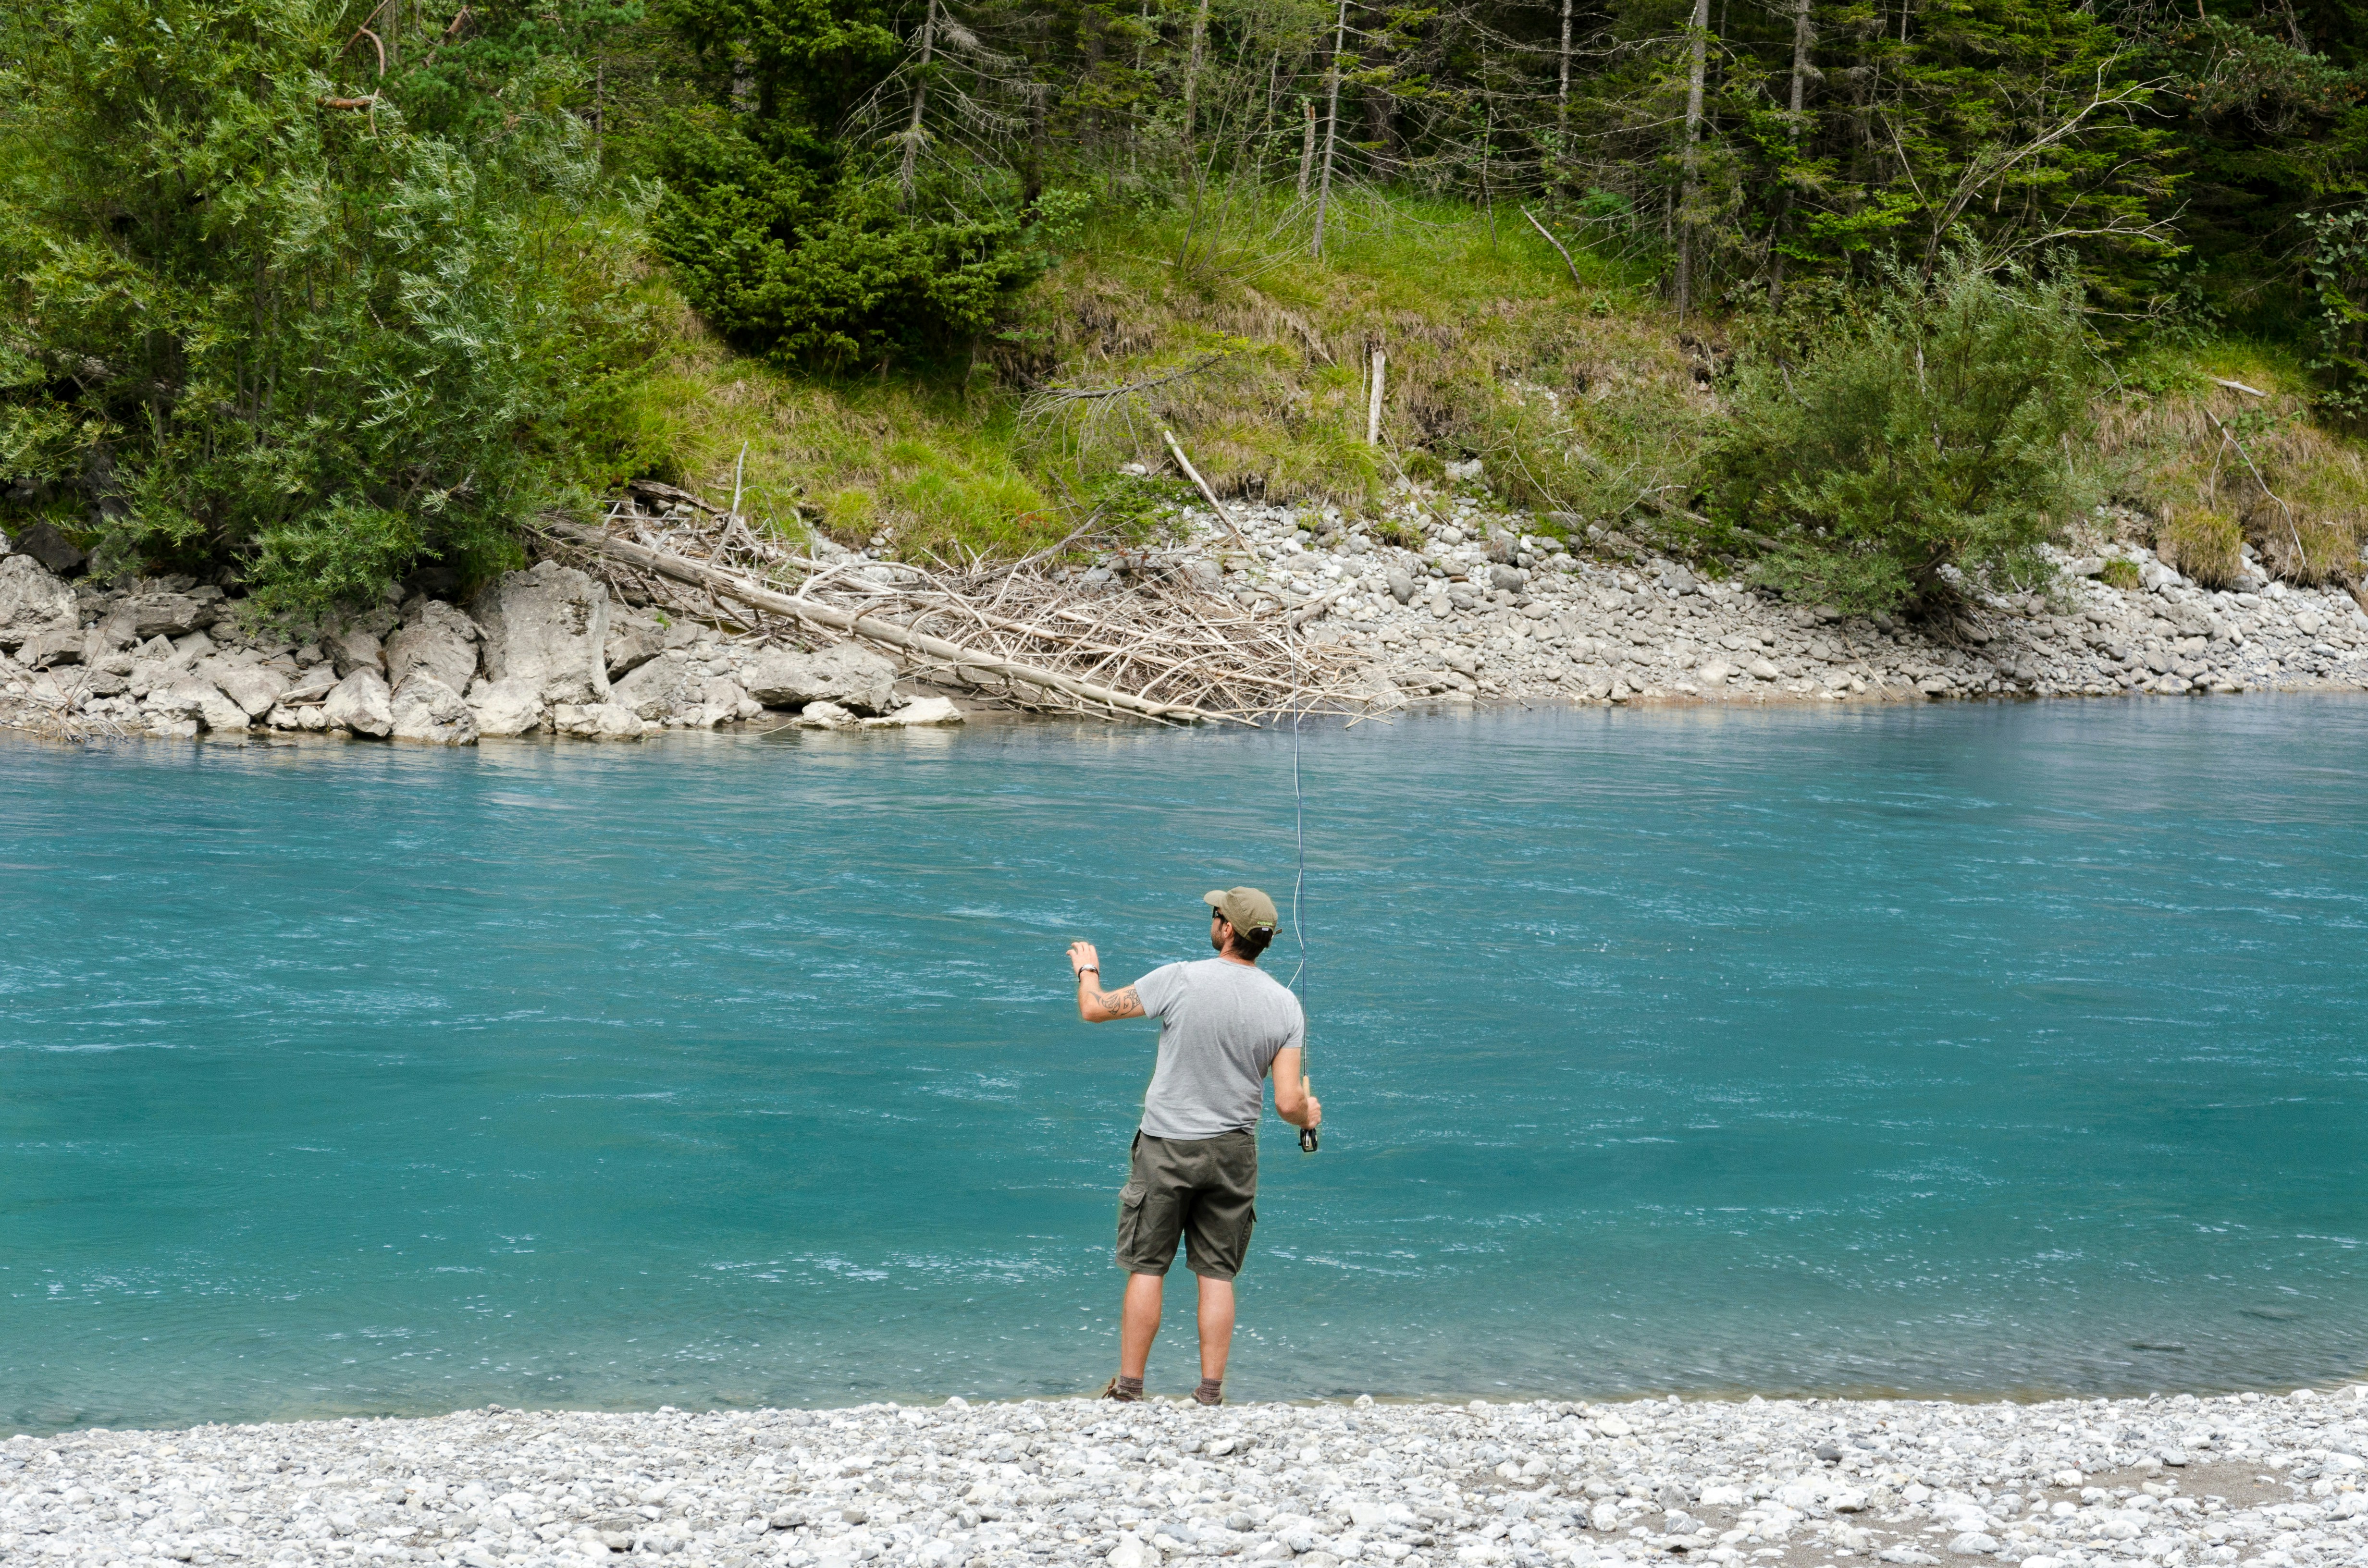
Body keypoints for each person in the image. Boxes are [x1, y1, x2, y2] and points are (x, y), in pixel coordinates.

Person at [1066, 886, 1322, 1407]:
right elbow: (1288, 1103)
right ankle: (1209, 1393)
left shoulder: (1179, 978)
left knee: (1147, 1265)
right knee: (1217, 1273)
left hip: (1166, 1146)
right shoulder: (1285, 1004)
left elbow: (1094, 1011)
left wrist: (1086, 970)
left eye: (1216, 914)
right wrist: (1308, 1115)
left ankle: (1130, 1389)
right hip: (1232, 1153)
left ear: (1227, 931)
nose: (1213, 918)